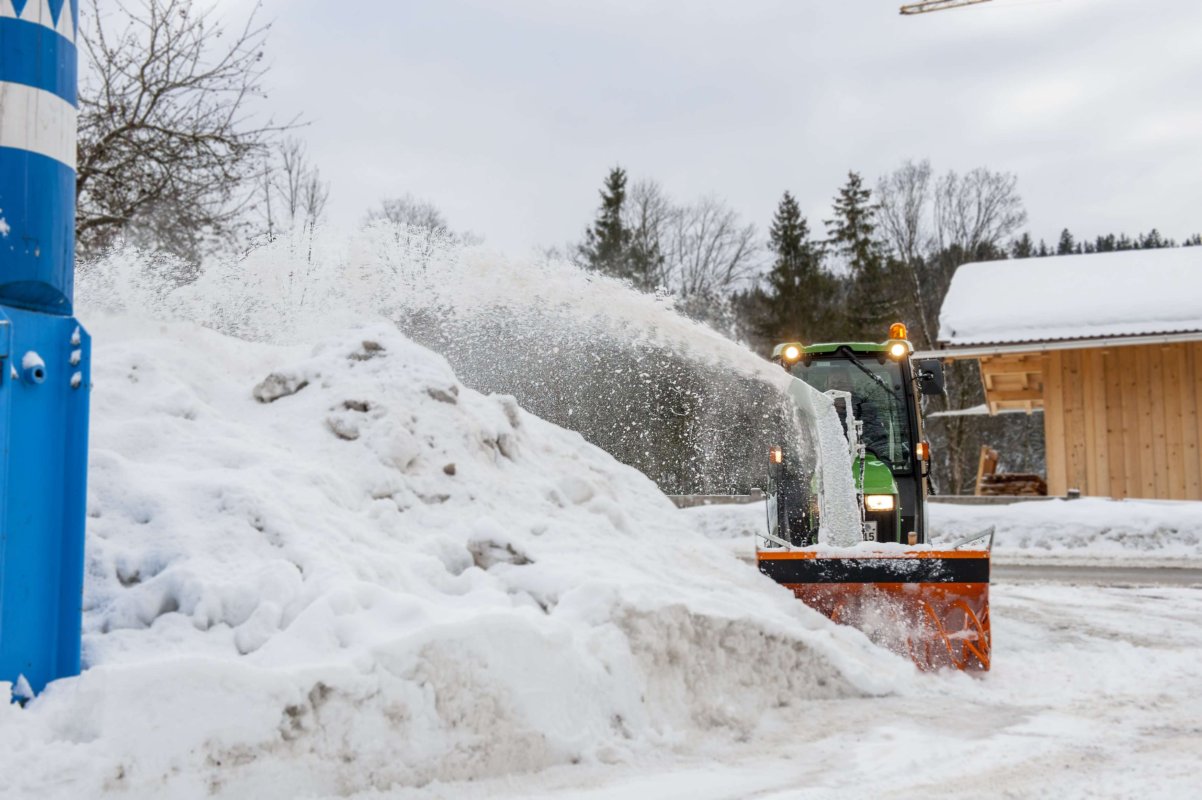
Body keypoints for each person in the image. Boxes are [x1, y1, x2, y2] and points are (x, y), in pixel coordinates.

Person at [824, 370, 889, 460]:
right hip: (826, 461)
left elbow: (878, 440)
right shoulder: (819, 409)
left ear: (850, 386)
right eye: (832, 383)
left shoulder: (865, 409)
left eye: (841, 383)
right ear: (827, 388)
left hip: (864, 458)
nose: (836, 386)